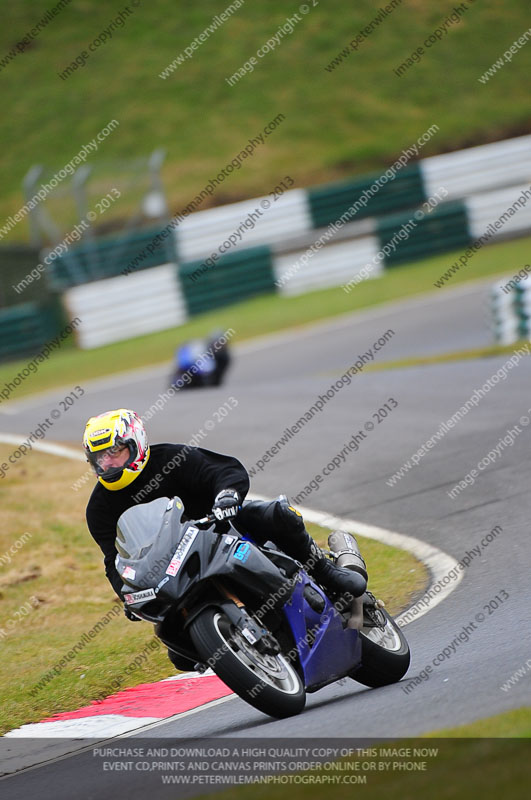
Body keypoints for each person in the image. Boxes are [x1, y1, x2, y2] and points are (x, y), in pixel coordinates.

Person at [83, 408, 366, 668]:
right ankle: (240, 653)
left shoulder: (171, 458)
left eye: (115, 452)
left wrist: (226, 496)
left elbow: (224, 471)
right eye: (100, 458)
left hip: (221, 527)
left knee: (277, 514)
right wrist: (127, 594)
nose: (108, 463)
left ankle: (326, 572)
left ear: (136, 443)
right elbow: (115, 559)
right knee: (179, 654)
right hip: (172, 567)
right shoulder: (98, 509)